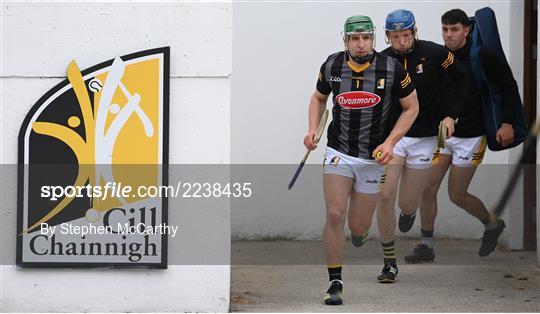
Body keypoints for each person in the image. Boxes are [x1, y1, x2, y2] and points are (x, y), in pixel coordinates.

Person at [304, 15, 418, 305]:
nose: (361, 43)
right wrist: (312, 129)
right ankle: (335, 282)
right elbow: (319, 98)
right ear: (345, 40)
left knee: (357, 226)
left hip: (373, 159)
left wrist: (390, 142)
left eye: (366, 37)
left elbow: (411, 108)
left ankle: (359, 233)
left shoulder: (390, 68)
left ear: (373, 39)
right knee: (334, 214)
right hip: (339, 151)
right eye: (354, 38)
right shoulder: (332, 66)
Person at [406, 8, 517, 263]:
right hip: (444, 134)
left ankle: (491, 224)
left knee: (456, 194)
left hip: (472, 136)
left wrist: (508, 122)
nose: (449, 35)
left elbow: (508, 86)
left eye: (454, 29)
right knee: (427, 187)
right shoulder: (439, 56)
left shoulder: (483, 56)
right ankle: (426, 245)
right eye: (445, 29)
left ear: (467, 30)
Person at [376, 9, 468, 274]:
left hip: (426, 137)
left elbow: (462, 77)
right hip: (394, 137)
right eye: (396, 36)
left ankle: (408, 212)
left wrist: (451, 115)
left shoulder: (436, 53)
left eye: (406, 35)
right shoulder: (381, 60)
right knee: (384, 193)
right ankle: (389, 261)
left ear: (415, 32)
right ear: (387, 36)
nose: (402, 41)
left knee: (407, 202)